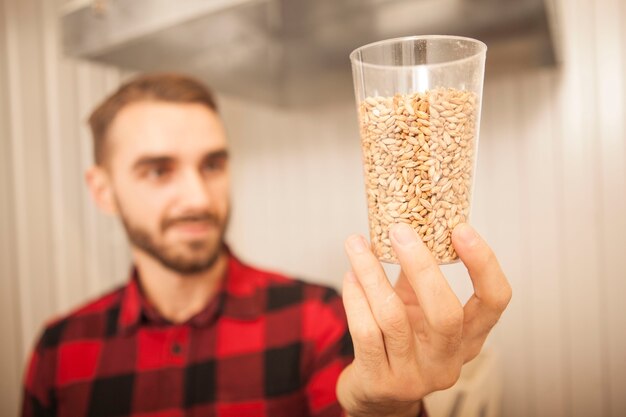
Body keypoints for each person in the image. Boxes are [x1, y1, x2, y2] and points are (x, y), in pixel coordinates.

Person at [21, 73, 511, 417]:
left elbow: (363, 402)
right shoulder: (60, 350)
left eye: (212, 164)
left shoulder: (317, 319)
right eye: (158, 170)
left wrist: (385, 407)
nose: (197, 196)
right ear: (102, 190)